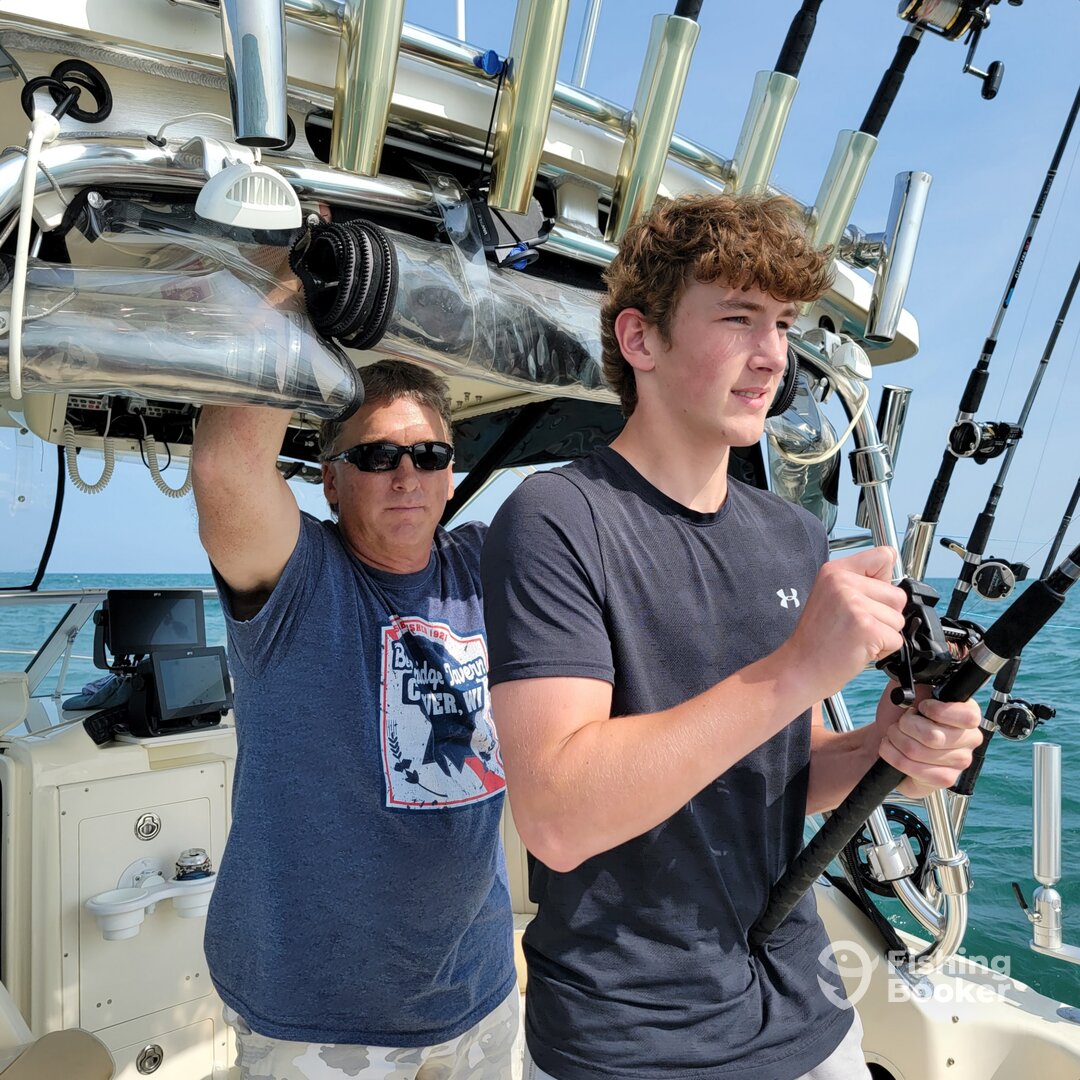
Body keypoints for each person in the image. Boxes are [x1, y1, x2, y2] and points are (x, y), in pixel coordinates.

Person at [481, 192, 984, 1080]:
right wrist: (798, 668)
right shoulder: (557, 518)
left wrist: (888, 749)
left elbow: (786, 774)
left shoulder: (792, 533)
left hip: (808, 1012)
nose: (773, 355)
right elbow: (557, 817)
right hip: (633, 1039)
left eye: (783, 324)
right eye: (740, 318)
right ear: (640, 340)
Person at [192, 359, 517, 1080]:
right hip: (318, 1013)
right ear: (331, 481)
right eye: (375, 456)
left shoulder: (482, 563)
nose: (407, 476)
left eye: (428, 455)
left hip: (479, 987)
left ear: (450, 475)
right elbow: (224, 471)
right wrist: (296, 300)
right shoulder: (302, 577)